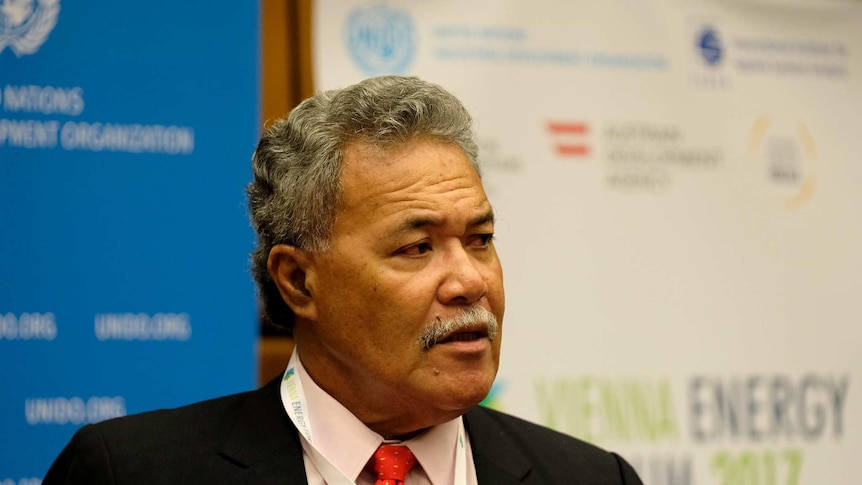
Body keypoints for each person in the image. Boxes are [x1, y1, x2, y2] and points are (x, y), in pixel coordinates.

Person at [44, 76, 643, 484]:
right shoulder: (132, 472)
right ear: (299, 281)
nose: (468, 281)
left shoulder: (593, 477)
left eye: (480, 240)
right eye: (417, 247)